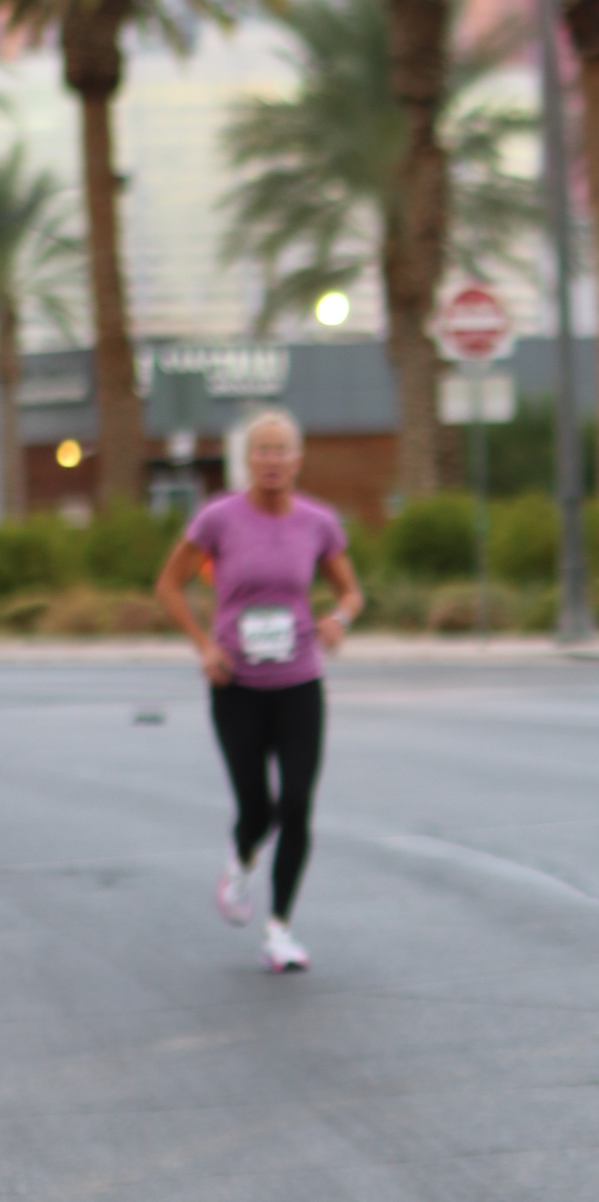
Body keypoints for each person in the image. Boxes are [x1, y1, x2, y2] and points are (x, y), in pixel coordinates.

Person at [154, 409, 362, 973]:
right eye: (262, 450)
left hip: (299, 683)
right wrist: (204, 646)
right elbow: (169, 585)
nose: (272, 460)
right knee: (258, 808)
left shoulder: (318, 522)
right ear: (248, 460)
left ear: (298, 460)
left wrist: (338, 618)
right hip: (236, 685)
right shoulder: (218, 518)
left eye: (281, 450)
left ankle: (279, 930)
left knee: (296, 805)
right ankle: (242, 862)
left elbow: (351, 592)